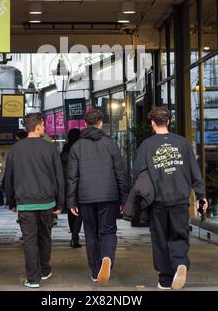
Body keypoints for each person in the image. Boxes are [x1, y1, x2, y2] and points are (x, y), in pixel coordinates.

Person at [133, 106, 208, 291]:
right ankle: (180, 262)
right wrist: (201, 196)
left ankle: (165, 279)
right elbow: (194, 171)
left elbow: (138, 173)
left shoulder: (147, 146)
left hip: (157, 200)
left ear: (152, 123)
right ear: (168, 122)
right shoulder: (182, 143)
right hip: (181, 199)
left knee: (160, 239)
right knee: (179, 234)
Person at [67, 109, 128, 284]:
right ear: (101, 123)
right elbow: (120, 173)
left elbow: (72, 177)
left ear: (85, 124)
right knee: (108, 230)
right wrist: (124, 198)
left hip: (86, 197)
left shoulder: (76, 146)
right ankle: (107, 257)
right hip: (109, 195)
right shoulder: (111, 144)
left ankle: (95, 271)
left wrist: (71, 201)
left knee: (91, 233)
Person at [5, 112, 64, 288]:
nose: (44, 128)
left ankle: (33, 278)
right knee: (45, 236)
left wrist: (12, 201)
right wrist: (60, 202)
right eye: (43, 125)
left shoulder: (16, 149)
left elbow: (9, 178)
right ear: (37, 126)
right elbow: (59, 177)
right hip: (47, 201)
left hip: (25, 202)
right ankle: (45, 270)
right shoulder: (50, 148)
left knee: (29, 239)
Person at [60, 128, 82, 248]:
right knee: (79, 212)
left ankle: (73, 235)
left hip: (66, 185)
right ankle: (75, 236)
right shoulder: (79, 150)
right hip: (78, 185)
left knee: (70, 211)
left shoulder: (64, 150)